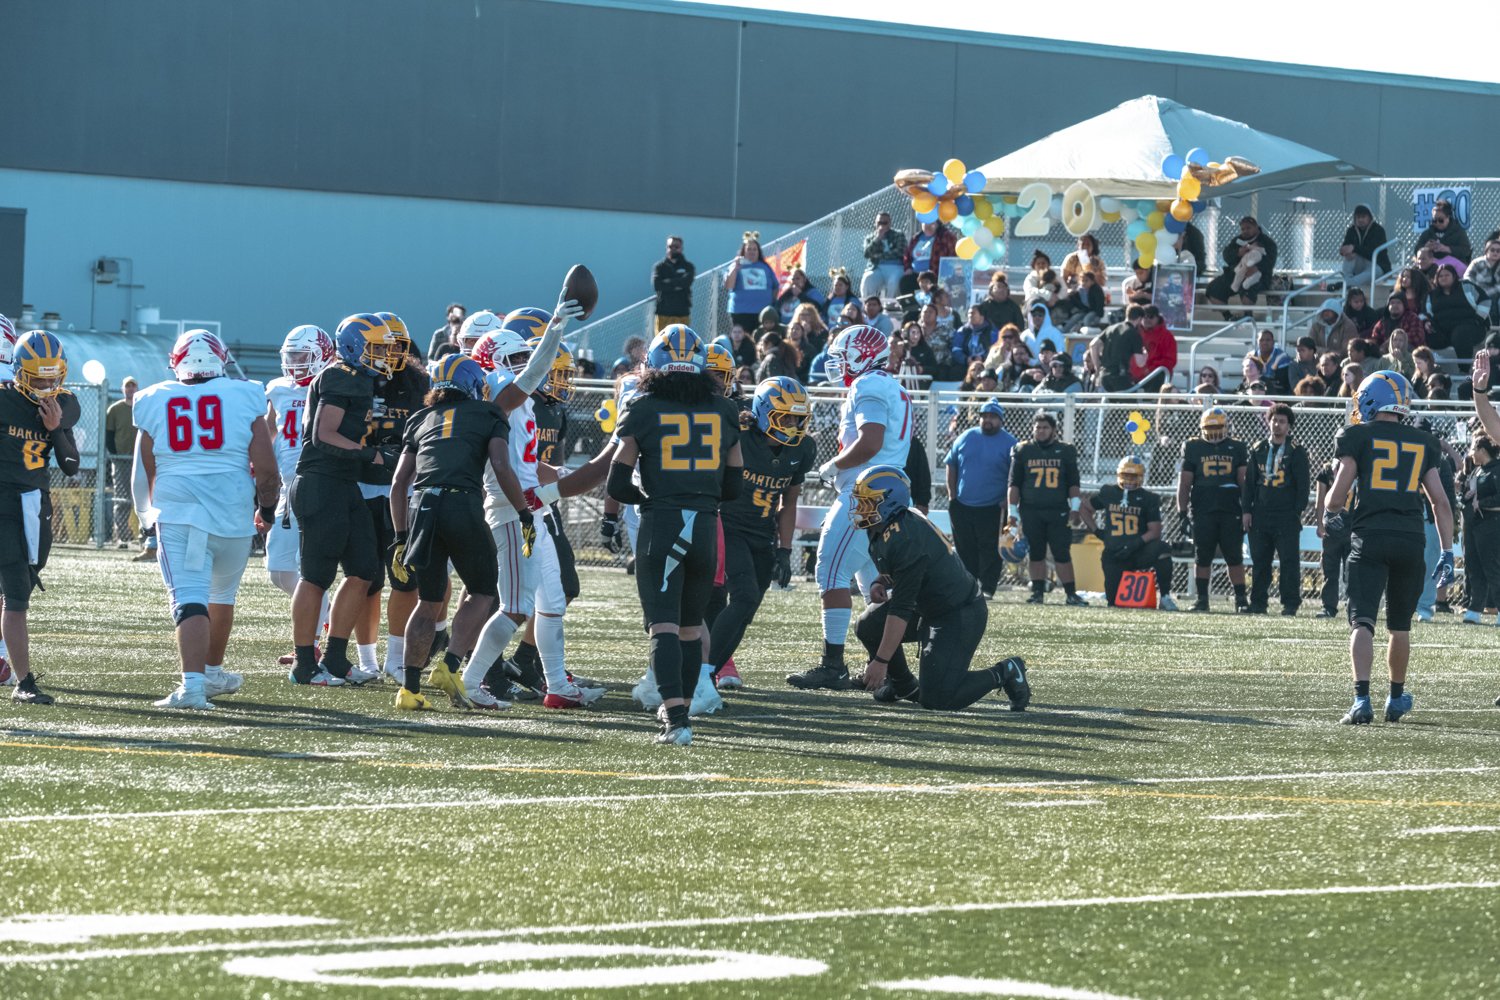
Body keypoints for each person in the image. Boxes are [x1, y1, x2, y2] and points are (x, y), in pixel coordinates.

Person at [608, 325, 743, 745]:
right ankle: (681, 712)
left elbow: (617, 481)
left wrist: (650, 499)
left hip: (663, 524)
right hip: (704, 525)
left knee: (663, 626)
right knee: (689, 630)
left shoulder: (642, 407)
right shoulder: (724, 409)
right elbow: (734, 485)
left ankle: (676, 721)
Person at [131, 330, 278, 709]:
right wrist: (266, 510)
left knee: (190, 598)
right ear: (221, 359)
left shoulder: (153, 398)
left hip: (182, 517)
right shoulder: (245, 394)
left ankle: (193, 687)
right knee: (221, 596)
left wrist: (146, 517)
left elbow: (144, 473)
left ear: (176, 362)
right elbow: (266, 470)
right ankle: (212, 673)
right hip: (234, 517)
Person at [460, 303, 595, 711]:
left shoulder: (522, 403)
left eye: (525, 356)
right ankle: (470, 682)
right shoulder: (496, 388)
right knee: (516, 606)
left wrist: (560, 475)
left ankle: (558, 686)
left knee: (551, 602)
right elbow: (531, 376)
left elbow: (526, 459)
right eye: (516, 357)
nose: (525, 364)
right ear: (494, 362)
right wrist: (555, 327)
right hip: (511, 506)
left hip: (531, 503)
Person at [1323, 370, 1453, 725]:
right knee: (1400, 626)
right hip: (1410, 539)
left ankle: (1361, 700)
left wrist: (1331, 511)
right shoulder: (1424, 441)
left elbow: (1336, 496)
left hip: (1370, 536)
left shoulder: (1356, 435)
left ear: (1370, 399)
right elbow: (1440, 502)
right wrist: (1447, 551)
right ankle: (1396, 699)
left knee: (1362, 621)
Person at [787, 325, 912, 690]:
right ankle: (893, 673)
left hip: (866, 492)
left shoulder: (867, 384)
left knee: (830, 572)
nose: (838, 364)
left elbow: (870, 441)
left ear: (861, 355)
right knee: (874, 584)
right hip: (885, 492)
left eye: (843, 357)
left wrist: (834, 465)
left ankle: (833, 665)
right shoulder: (891, 386)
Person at [385, 355, 511, 710]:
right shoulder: (487, 413)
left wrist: (400, 537)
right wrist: (523, 511)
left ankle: (409, 690)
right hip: (461, 503)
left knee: (428, 600)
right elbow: (501, 465)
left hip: (421, 508)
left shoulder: (420, 418)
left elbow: (398, 485)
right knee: (483, 590)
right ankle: (451, 665)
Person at [849, 465, 1031, 709]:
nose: (860, 509)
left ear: (888, 502)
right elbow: (905, 570)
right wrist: (880, 580)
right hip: (928, 604)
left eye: (868, 502)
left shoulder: (906, 538)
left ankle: (1005, 671)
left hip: (957, 612)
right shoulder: (888, 526)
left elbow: (901, 609)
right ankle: (902, 685)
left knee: (937, 698)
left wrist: (881, 661)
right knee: (868, 625)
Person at [285, 315, 403, 687]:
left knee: (365, 570)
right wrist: (373, 455)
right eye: (376, 348)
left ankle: (335, 657)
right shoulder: (341, 376)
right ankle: (304, 664)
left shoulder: (359, 379)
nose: (383, 355)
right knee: (316, 576)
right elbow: (324, 435)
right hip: (321, 483)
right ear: (354, 347)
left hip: (343, 483)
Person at [705, 376, 815, 686]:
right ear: (765, 413)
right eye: (785, 417)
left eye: (797, 418)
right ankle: (701, 671)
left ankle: (708, 672)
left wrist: (785, 550)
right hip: (728, 526)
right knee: (744, 596)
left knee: (748, 608)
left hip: (763, 533)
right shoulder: (739, 437)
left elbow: (789, 502)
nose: (792, 425)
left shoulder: (803, 448)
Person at [0, 332, 79, 705]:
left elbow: (71, 465)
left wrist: (56, 429)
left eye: (52, 379)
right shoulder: (4, 400)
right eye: (37, 379)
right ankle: (24, 681)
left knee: (20, 586)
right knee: (16, 595)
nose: (46, 387)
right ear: (19, 373)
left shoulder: (65, 405)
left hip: (35, 506)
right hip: (3, 503)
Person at [264, 325, 336, 666]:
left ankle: (312, 641)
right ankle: (326, 609)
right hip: (285, 487)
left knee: (310, 567)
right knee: (278, 569)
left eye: (301, 356)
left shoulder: (334, 384)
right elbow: (268, 430)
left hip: (320, 483)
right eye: (291, 356)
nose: (294, 363)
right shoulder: (278, 389)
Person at [1008, 410, 1086, 606]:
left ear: (1053, 430)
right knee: (1036, 552)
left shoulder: (1065, 450)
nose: (1041, 431)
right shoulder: (1023, 450)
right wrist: (1012, 513)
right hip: (1031, 510)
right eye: (1038, 427)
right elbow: (1014, 484)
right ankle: (1037, 592)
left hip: (1058, 510)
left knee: (1062, 553)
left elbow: (1073, 483)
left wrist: (1075, 508)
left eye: (1045, 428)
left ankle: (1071, 593)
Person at [1178, 407, 1249, 613]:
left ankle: (1241, 599)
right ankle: (1202, 599)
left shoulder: (1237, 447)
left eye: (1218, 427)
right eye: (1210, 428)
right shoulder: (1193, 447)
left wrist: (1246, 509)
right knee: (1202, 556)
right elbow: (1184, 483)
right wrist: (1182, 513)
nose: (1214, 432)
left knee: (1234, 556)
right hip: (1203, 509)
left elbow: (1243, 482)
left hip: (1230, 509)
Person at [1084, 456, 1177, 610]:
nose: (1129, 480)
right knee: (1114, 603)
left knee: (1162, 549)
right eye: (1125, 475)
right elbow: (1084, 508)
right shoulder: (1109, 492)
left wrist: (1135, 544)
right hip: (1114, 553)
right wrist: (1097, 531)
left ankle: (1165, 596)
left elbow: (1155, 531)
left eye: (1133, 476)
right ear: (1119, 474)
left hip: (1138, 551)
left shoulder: (1148, 498)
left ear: (1140, 477)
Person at [1242, 403, 1310, 616]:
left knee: (1289, 561)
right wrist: (1246, 511)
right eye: (1274, 420)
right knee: (1260, 560)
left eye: (1282, 421)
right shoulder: (1258, 448)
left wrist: (1296, 511)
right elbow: (1249, 483)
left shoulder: (1296, 451)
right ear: (1268, 422)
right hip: (1261, 514)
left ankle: (1290, 603)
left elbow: (1303, 485)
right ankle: (1258, 602)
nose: (1277, 425)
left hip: (1286, 514)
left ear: (1289, 426)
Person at [944, 399, 1015, 600]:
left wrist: (1007, 500)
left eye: (992, 417)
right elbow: (951, 464)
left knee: (991, 549)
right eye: (984, 416)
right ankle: (969, 585)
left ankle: (988, 587)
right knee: (965, 548)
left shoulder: (1010, 442)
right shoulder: (966, 437)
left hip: (994, 506)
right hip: (962, 504)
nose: (987, 420)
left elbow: (1015, 474)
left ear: (1001, 420)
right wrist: (952, 495)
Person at [1205, 216, 1278, 307]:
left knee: (1248, 292)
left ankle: (1248, 314)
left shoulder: (1267, 242)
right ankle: (1227, 314)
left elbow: (1270, 261)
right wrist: (1238, 253)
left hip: (1258, 277)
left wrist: (1256, 268)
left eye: (1248, 228)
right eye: (1243, 229)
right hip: (1235, 273)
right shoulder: (1237, 241)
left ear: (1256, 227)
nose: (1245, 231)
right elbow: (1226, 255)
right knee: (1212, 290)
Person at [105, 376, 140, 551]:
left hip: (141, 460)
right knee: (122, 499)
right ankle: (122, 537)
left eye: (133, 386)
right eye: (127, 386)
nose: (130, 389)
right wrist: (116, 456)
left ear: (137, 389)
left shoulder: (142, 407)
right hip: (121, 461)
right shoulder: (114, 409)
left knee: (143, 498)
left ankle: (144, 536)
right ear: (122, 389)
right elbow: (109, 435)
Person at [1313, 457, 1350, 619]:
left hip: (1353, 526)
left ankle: (1353, 605)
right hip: (1332, 527)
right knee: (1329, 568)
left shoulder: (1358, 467)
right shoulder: (1327, 470)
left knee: (1352, 569)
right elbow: (1320, 500)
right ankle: (1328, 606)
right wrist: (1320, 524)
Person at [1427, 263, 1486, 356]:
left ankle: (1464, 365)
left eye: (1447, 275)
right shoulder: (1432, 295)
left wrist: (1479, 318)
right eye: (1440, 276)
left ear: (1454, 276)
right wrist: (1426, 322)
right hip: (1443, 330)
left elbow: (1485, 301)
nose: (1443, 278)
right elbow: (1426, 312)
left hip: (1470, 327)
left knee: (1460, 334)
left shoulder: (1467, 287)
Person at [725, 233, 778, 331]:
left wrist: (771, 303)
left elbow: (775, 287)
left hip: (763, 313)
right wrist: (735, 268)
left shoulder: (766, 267)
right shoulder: (735, 265)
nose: (752, 252)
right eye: (749, 249)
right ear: (744, 251)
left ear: (758, 251)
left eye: (754, 249)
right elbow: (729, 286)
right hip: (741, 313)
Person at [1338, 205, 1391, 289]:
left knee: (1368, 272)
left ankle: (1346, 284)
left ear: (1370, 217)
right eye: (1358, 217)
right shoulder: (1351, 230)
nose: (1360, 220)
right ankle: (1348, 282)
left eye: (1363, 217)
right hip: (1361, 266)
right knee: (1350, 256)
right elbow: (1346, 247)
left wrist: (1354, 248)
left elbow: (1372, 252)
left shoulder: (1378, 230)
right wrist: (1344, 251)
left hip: (1377, 265)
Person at [652, 235, 695, 333]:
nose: (673, 249)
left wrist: (668, 282)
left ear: (681, 248)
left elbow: (686, 282)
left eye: (676, 247)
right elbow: (657, 285)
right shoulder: (659, 267)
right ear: (666, 248)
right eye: (670, 246)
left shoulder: (688, 267)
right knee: (662, 342)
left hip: (682, 314)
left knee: (682, 341)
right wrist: (678, 283)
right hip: (663, 314)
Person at [1131, 305, 1177, 391]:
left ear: (1158, 318)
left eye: (1151, 316)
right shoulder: (1133, 333)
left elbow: (1170, 361)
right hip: (1134, 375)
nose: (1147, 319)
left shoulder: (1166, 336)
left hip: (1155, 375)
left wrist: (1150, 369)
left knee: (1159, 374)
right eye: (1144, 317)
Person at [861, 212, 906, 299]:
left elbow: (900, 252)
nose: (882, 225)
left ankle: (890, 304)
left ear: (889, 223)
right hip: (876, 267)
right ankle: (868, 303)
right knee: (867, 279)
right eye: (879, 222)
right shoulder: (870, 238)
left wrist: (878, 256)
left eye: (885, 223)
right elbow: (867, 254)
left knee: (894, 282)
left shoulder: (898, 234)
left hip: (896, 266)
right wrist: (878, 238)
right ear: (875, 223)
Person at [1413, 198, 1471, 265]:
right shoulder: (1427, 234)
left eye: (1441, 220)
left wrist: (1447, 249)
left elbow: (1466, 251)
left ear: (1448, 217)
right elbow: (1416, 250)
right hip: (1432, 266)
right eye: (1434, 221)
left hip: (1453, 266)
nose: (1437, 223)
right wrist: (1425, 248)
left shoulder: (1458, 232)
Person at [903, 221, 955, 290]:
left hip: (934, 274)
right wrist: (908, 268)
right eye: (926, 223)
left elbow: (953, 255)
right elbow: (907, 256)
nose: (928, 226)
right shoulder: (916, 238)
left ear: (938, 224)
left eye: (932, 223)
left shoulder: (945, 236)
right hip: (915, 274)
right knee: (904, 283)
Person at [1466, 232, 1500, 325]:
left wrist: (1489, 292)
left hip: (1497, 294)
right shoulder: (1477, 263)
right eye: (1492, 250)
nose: (1495, 253)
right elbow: (1468, 278)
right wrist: (1476, 290)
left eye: (1498, 251)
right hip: (1478, 293)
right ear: (1486, 251)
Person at [1247, 329, 1292, 394]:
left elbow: (1282, 383)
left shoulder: (1282, 357)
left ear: (1273, 342)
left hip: (1276, 393)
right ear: (1257, 342)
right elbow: (1247, 379)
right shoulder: (1251, 356)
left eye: (1268, 340)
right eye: (1261, 340)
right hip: (1255, 391)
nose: (1264, 342)